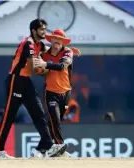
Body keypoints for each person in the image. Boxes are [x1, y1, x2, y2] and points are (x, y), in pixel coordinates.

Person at [0, 19, 67, 158]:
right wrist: (45, 67)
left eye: (45, 29)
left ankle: (48, 146)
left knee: (39, 112)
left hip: (26, 81)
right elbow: (34, 67)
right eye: (42, 29)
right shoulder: (29, 43)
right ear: (34, 30)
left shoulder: (41, 45)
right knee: (9, 116)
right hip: (16, 79)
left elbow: (51, 56)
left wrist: (65, 52)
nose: (45, 32)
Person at [32, 29, 81, 157]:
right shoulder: (44, 54)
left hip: (65, 93)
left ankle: (39, 150)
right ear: (51, 40)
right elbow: (38, 69)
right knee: (55, 120)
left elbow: (62, 66)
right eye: (55, 39)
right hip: (51, 92)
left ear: (63, 41)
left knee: (53, 122)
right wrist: (40, 67)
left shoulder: (67, 52)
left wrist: (45, 64)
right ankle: (60, 146)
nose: (58, 42)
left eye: (60, 40)